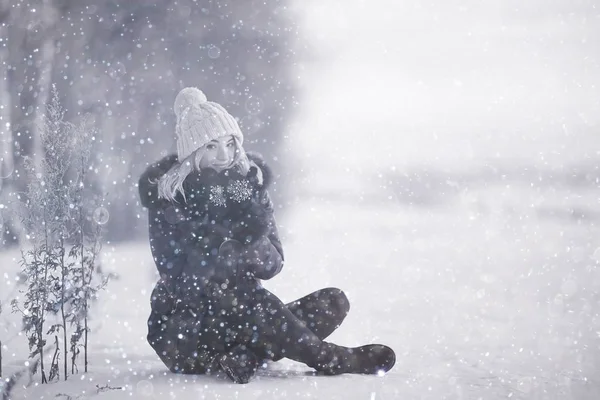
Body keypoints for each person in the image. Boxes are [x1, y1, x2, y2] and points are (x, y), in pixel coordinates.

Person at [139, 87, 395, 384]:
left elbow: (273, 265)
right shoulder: (170, 200)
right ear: (193, 152)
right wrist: (218, 243)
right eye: (211, 146)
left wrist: (249, 238)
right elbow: (180, 282)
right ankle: (327, 357)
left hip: (244, 318)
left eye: (230, 143)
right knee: (246, 298)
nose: (224, 155)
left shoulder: (248, 189)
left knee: (332, 302)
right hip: (187, 332)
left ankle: (246, 356)